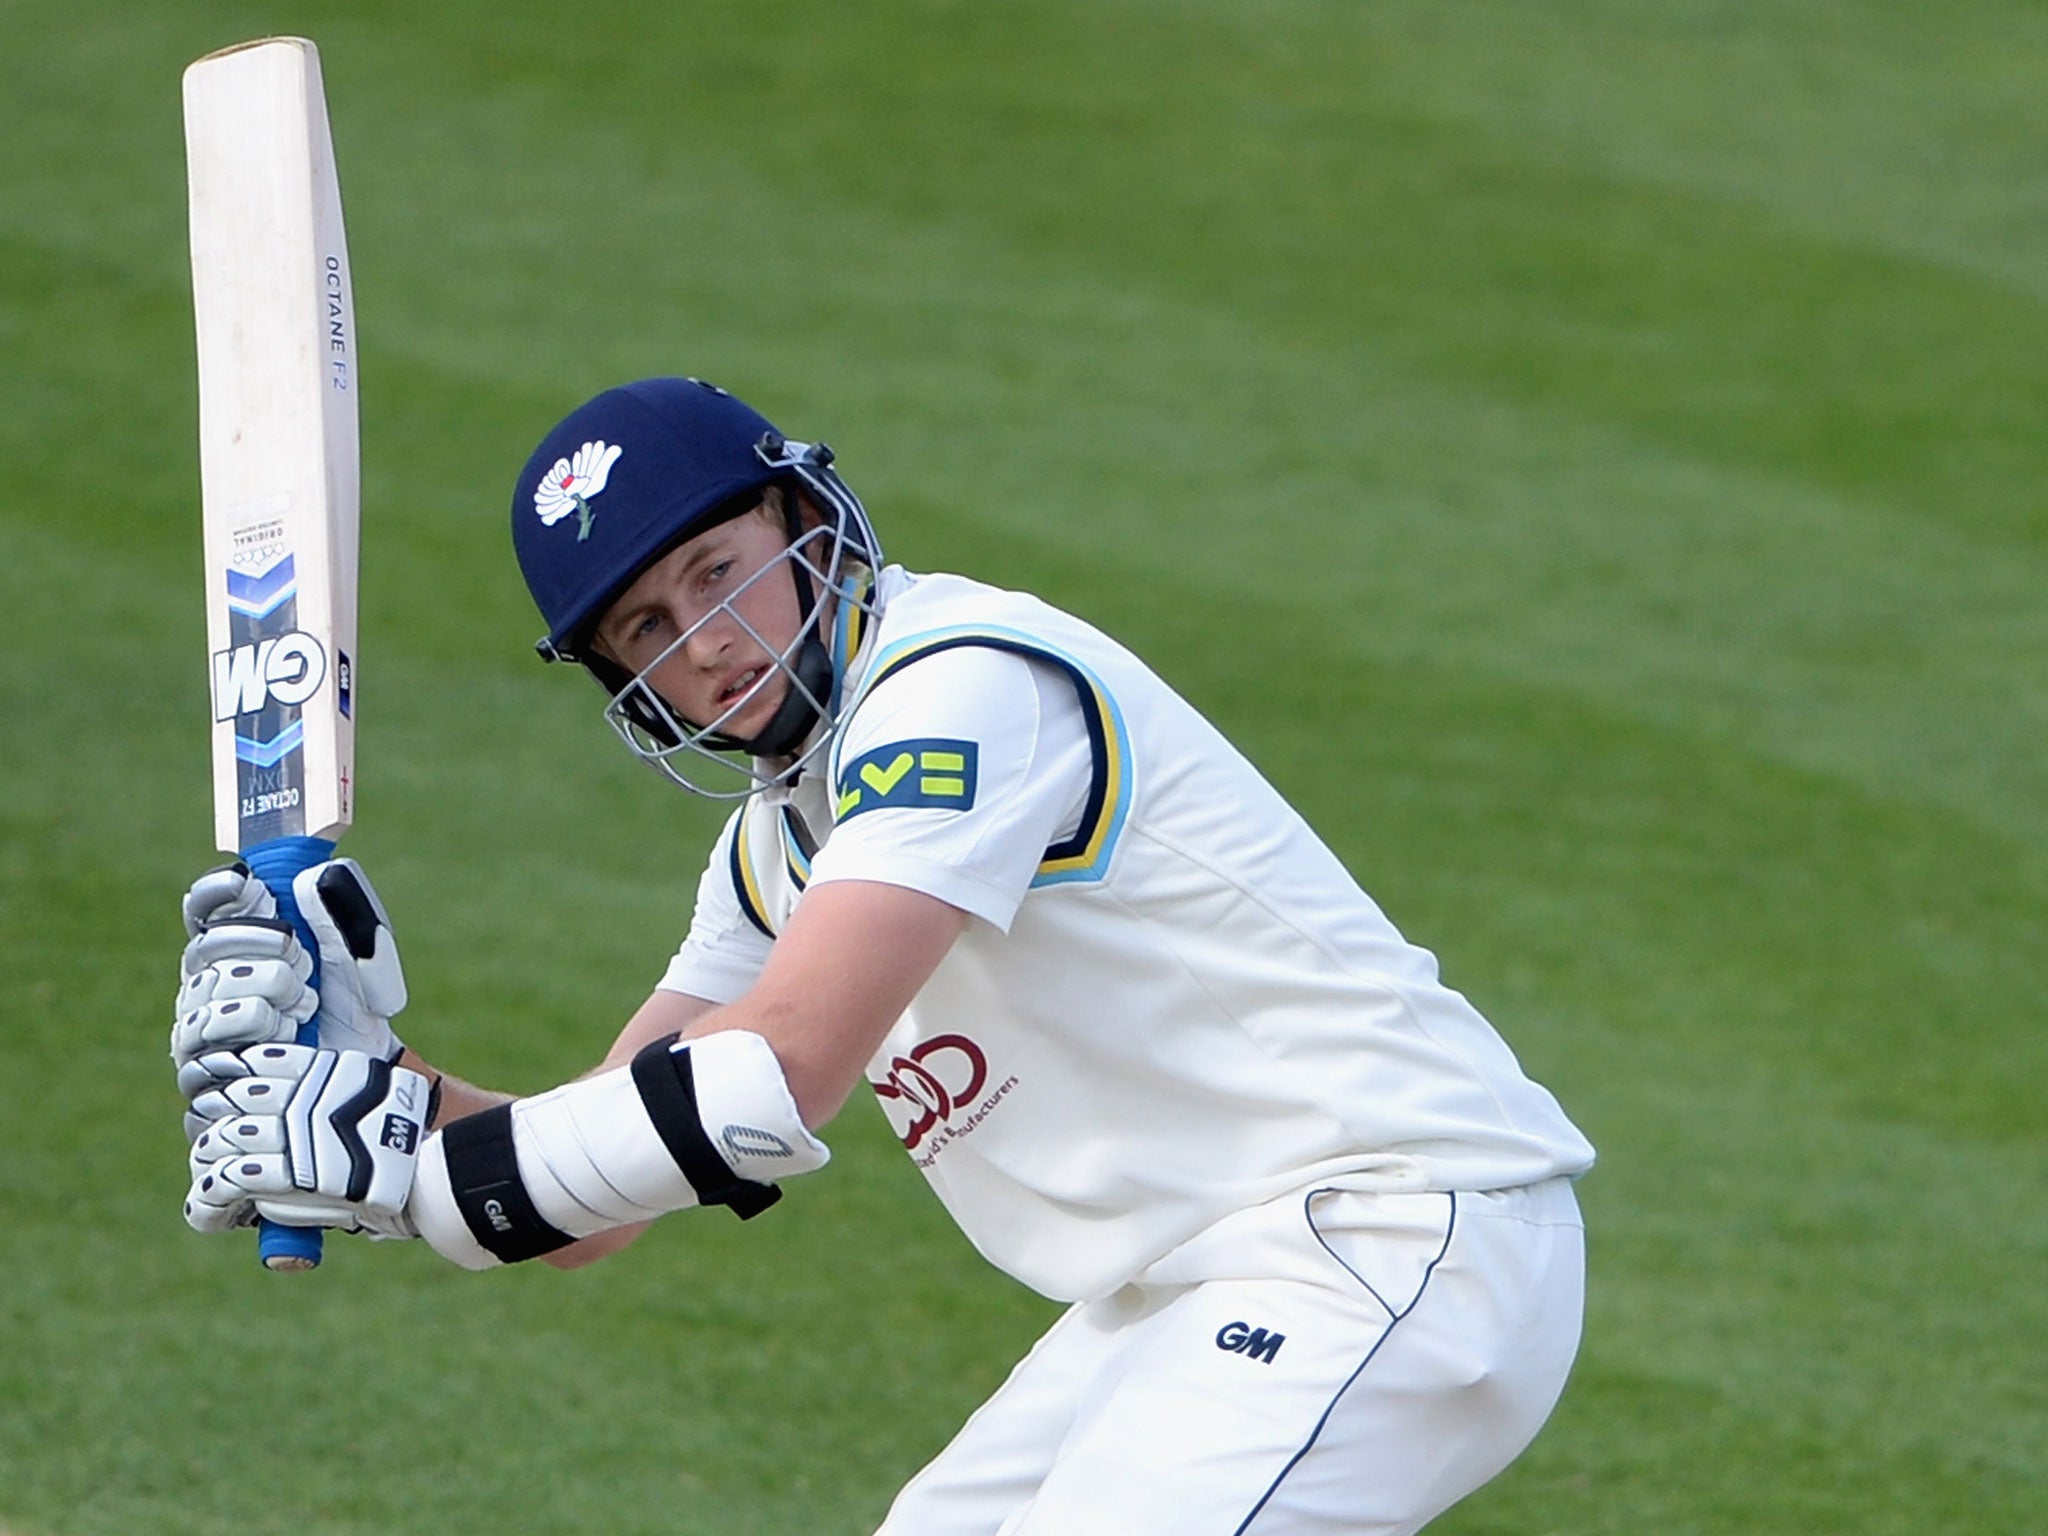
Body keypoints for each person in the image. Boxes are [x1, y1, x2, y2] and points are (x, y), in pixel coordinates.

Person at [173, 376, 1596, 1535]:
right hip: (1182, 1286)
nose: (710, 643)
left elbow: (777, 1071)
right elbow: (600, 1195)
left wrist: (422, 1174)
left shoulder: (959, 688)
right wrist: (368, 1076)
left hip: (1385, 1234)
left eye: (720, 572)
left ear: (806, 525)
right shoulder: (774, 848)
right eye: (651, 628)